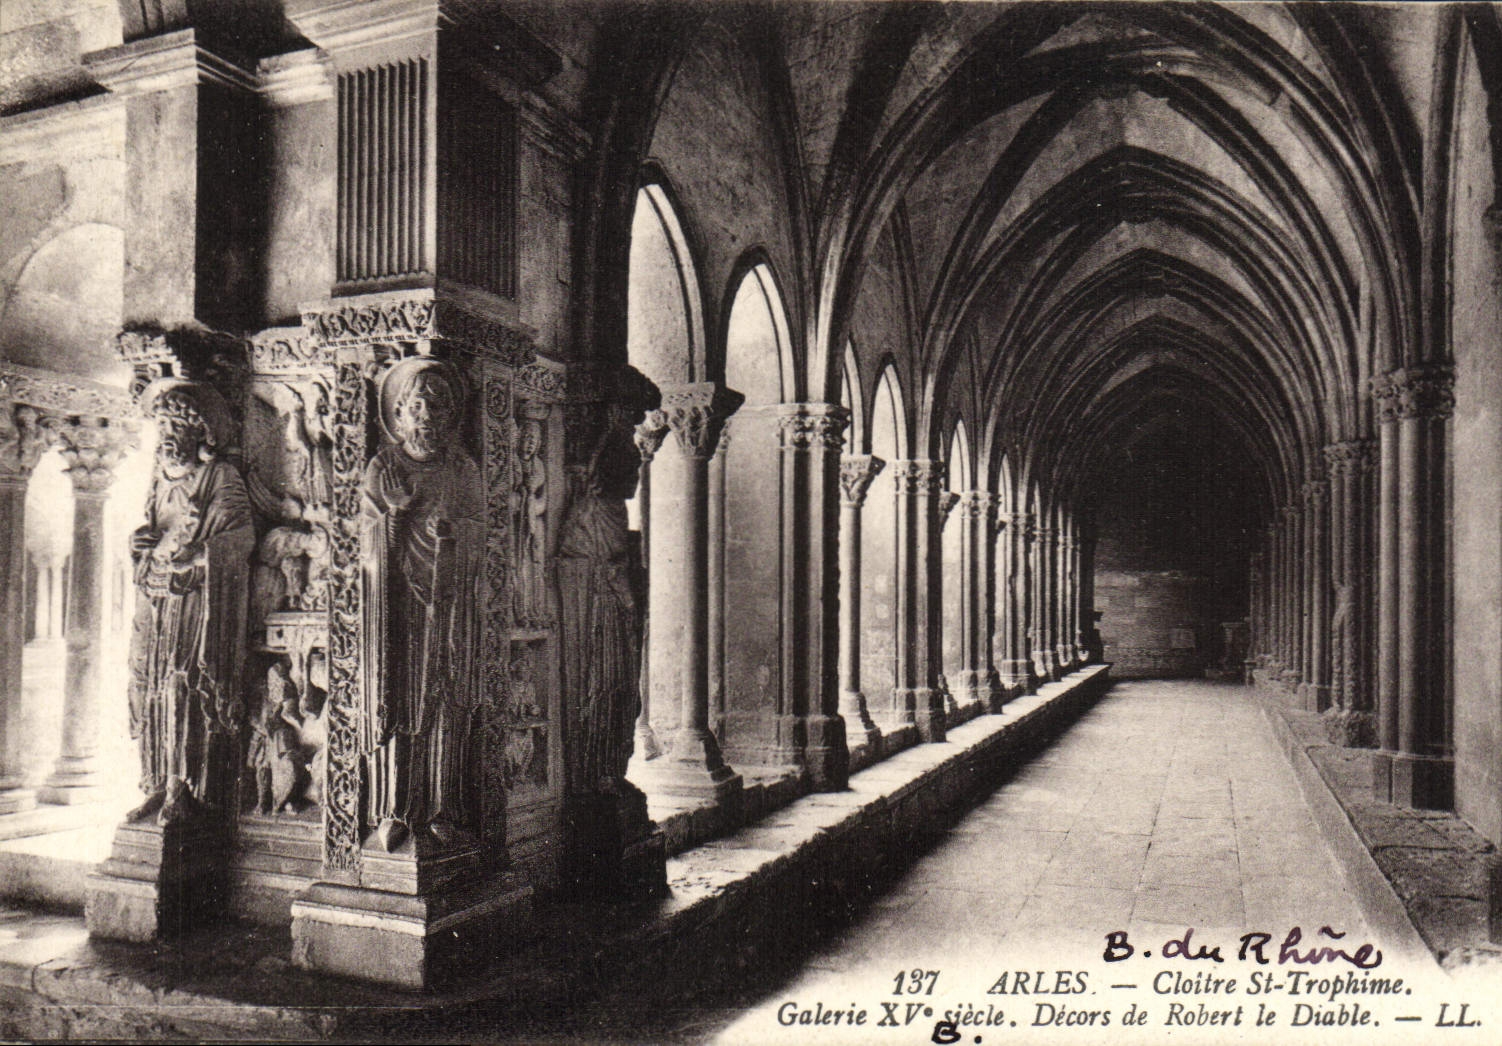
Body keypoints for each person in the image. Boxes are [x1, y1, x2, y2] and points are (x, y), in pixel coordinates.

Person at [361, 357, 483, 852]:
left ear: (451, 416)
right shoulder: (383, 466)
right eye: (416, 406)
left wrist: (453, 537)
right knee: (396, 702)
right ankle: (394, 810)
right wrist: (394, 515)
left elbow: (481, 532)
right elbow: (366, 546)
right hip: (397, 608)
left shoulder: (462, 468)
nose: (426, 415)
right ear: (401, 413)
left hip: (448, 606)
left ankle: (441, 810)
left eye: (436, 406)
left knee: (444, 707)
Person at [126, 381, 254, 825]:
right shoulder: (158, 478)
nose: (168, 436)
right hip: (156, 598)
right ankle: (155, 783)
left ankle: (183, 787)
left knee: (183, 687)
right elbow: (151, 533)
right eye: (163, 427)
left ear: (200, 434)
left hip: (196, 599)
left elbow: (241, 536)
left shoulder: (219, 476)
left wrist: (203, 554)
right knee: (151, 688)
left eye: (178, 426)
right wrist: (138, 545)